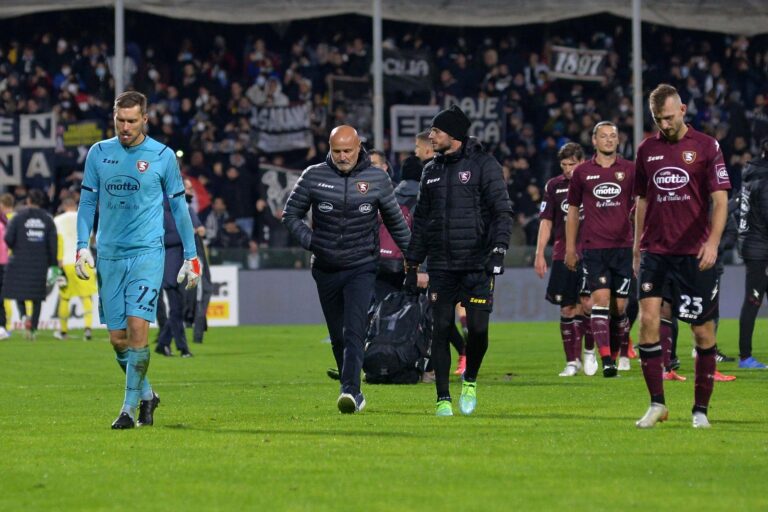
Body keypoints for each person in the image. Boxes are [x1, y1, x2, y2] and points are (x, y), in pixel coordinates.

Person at [76, 90, 200, 429]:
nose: (125, 127)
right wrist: (80, 245)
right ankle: (147, 394)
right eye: (120, 120)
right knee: (118, 339)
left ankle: (128, 410)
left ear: (145, 119)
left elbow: (179, 207)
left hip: (147, 253)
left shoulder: (161, 156)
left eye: (132, 121)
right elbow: (87, 204)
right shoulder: (99, 153)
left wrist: (191, 256)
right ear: (113, 118)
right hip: (109, 255)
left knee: (138, 331)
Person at [282, 125, 410, 414]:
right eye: (336, 151)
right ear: (329, 147)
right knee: (338, 335)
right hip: (325, 267)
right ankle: (351, 381)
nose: (342, 156)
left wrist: (414, 259)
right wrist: (312, 242)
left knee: (355, 330)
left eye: (347, 151)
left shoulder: (377, 178)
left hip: (362, 265)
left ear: (358, 147)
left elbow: (396, 223)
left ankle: (350, 391)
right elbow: (290, 215)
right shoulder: (313, 176)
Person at [632, 83, 730, 429]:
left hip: (694, 253)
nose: (665, 124)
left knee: (702, 333)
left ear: (683, 110)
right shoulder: (647, 150)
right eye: (659, 119)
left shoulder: (706, 146)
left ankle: (700, 410)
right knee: (648, 321)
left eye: (670, 118)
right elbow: (641, 200)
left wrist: (714, 242)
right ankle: (657, 403)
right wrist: (636, 245)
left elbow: (720, 199)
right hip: (656, 251)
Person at [405, 105, 513, 416]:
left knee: (478, 332)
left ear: (454, 135)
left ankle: (470, 379)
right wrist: (412, 264)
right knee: (441, 327)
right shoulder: (430, 171)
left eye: (436, 131)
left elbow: (501, 211)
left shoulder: (484, 165)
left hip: (476, 263)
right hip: (441, 264)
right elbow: (421, 221)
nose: (431, 136)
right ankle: (443, 399)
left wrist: (498, 249)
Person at [565, 121, 636, 377]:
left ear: (618, 140)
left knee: (620, 308)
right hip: (594, 248)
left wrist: (639, 244)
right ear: (594, 140)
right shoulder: (582, 172)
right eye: (603, 136)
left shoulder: (630, 170)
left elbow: (642, 206)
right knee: (601, 300)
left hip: (623, 248)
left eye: (613, 136)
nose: (608, 140)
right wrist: (570, 248)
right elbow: (572, 212)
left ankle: (615, 355)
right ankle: (606, 360)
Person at [535, 142, 597, 376]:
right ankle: (572, 361)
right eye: (564, 165)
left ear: (583, 161)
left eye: (573, 164)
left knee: (588, 305)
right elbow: (546, 221)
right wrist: (540, 253)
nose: (568, 169)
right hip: (563, 254)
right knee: (567, 309)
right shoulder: (554, 186)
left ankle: (589, 352)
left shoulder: (594, 182)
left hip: (591, 252)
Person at [415, 129, 467, 376]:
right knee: (439, 315)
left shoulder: (434, 171)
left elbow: (425, 219)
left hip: (441, 257)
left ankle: (453, 358)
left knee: (441, 315)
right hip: (434, 255)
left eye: (418, 147)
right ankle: (437, 365)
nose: (416, 151)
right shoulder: (430, 171)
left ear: (427, 148)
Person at [155, 181, 203, 358]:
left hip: (186, 265)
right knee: (177, 308)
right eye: (188, 188)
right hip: (170, 267)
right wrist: (186, 233)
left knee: (180, 309)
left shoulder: (185, 208)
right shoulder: (162, 211)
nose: (190, 191)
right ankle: (183, 348)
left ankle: (163, 343)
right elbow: (161, 238)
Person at [3, 189, 57, 340]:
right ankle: (33, 328)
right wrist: (53, 265)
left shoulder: (18, 217)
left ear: (28, 201)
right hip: (40, 263)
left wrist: (17, 248)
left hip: (19, 261)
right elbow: (53, 245)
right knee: (37, 297)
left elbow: (7, 238)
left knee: (18, 292)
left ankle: (23, 316)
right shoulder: (47, 220)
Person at [737, 137, 768, 368]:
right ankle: (745, 356)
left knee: (753, 300)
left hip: (752, 244)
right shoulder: (764, 179)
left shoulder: (751, 173)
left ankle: (746, 356)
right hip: (761, 248)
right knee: (753, 300)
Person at [54, 197, 97, 340]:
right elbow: (92, 239)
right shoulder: (84, 217)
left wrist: (58, 262)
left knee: (64, 298)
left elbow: (57, 243)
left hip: (66, 262)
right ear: (75, 205)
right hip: (83, 260)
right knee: (86, 297)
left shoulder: (57, 220)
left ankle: (63, 331)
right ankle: (88, 329)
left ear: (64, 206)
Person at [0, 193, 14, 339]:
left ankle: (5, 326)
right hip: (8, 262)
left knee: (3, 297)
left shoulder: (6, 221)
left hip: (5, 262)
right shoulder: (11, 220)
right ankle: (4, 326)